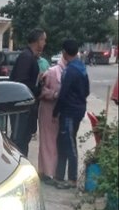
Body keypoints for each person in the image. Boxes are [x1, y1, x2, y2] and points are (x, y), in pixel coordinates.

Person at [53, 39, 90, 189]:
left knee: (69, 144)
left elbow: (63, 94)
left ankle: (72, 179)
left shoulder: (70, 71)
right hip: (78, 108)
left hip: (69, 111)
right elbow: (87, 91)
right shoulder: (81, 67)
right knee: (62, 142)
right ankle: (59, 176)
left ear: (64, 52)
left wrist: (55, 112)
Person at [9, 28, 47, 156]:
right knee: (19, 141)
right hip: (21, 108)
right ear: (38, 41)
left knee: (24, 139)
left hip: (28, 108)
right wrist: (39, 90)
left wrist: (38, 80)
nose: (45, 43)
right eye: (43, 40)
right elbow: (21, 83)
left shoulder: (31, 57)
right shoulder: (26, 57)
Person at [37, 54, 67, 183]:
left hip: (59, 112)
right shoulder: (52, 72)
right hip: (48, 110)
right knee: (47, 141)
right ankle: (46, 171)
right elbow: (41, 91)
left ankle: (51, 171)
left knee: (55, 142)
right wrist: (54, 94)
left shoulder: (68, 72)